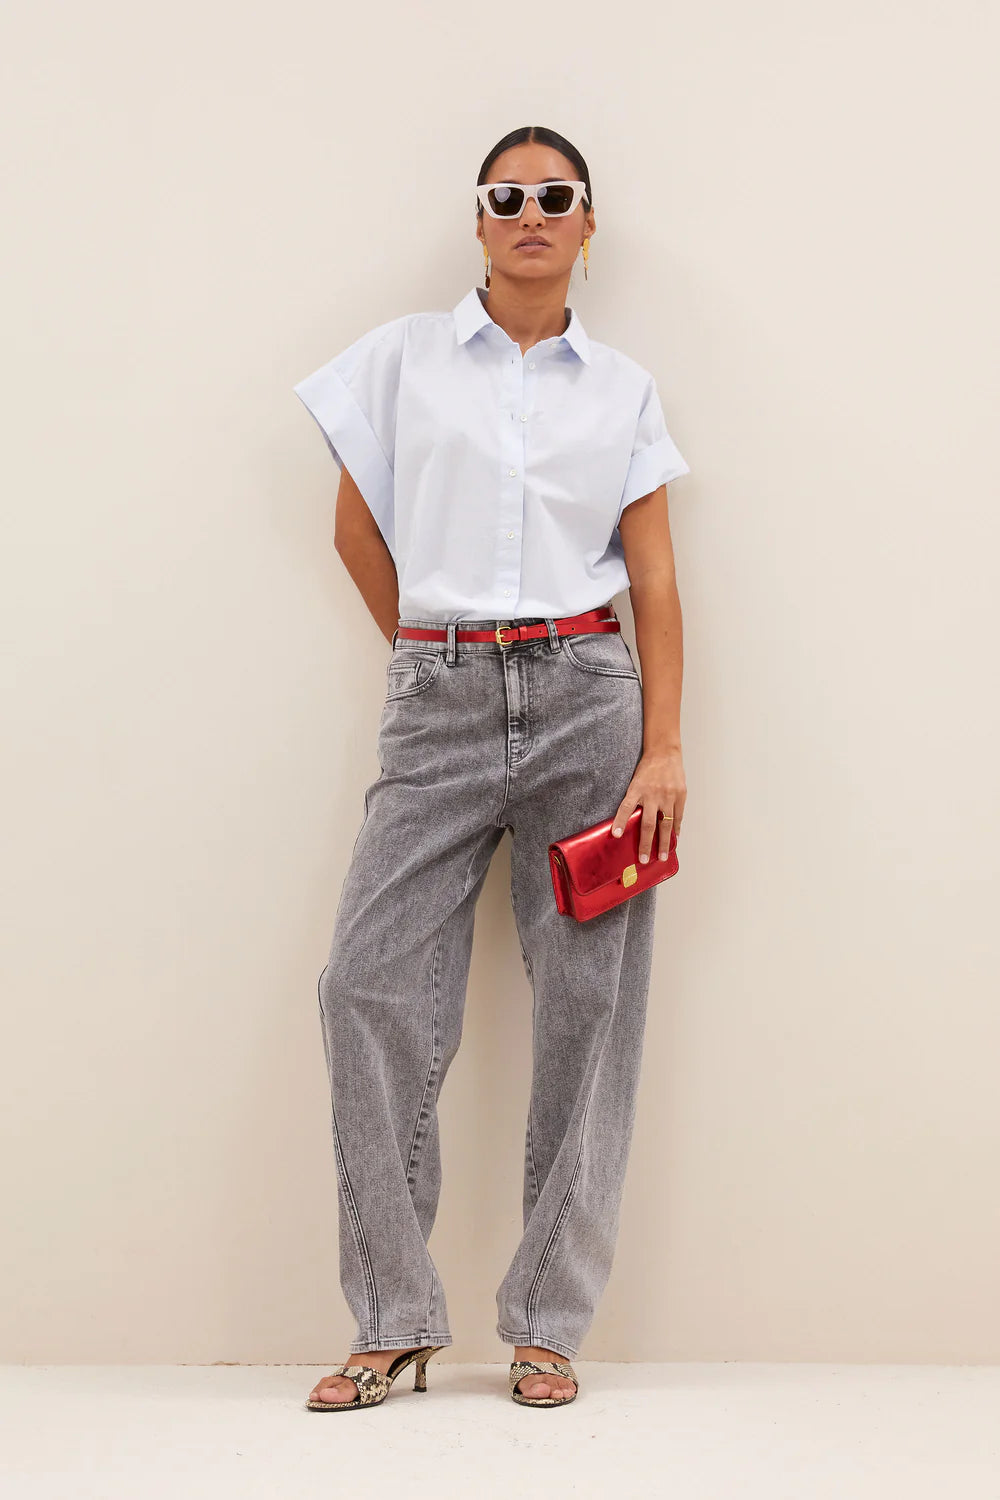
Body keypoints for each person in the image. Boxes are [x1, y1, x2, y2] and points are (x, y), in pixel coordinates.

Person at [292, 125, 690, 1412]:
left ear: (587, 224)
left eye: (554, 196)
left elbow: (655, 580)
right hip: (441, 700)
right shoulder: (403, 358)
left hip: (588, 705)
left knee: (590, 1005)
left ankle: (548, 1323)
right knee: (364, 983)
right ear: (477, 220)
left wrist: (664, 745)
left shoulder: (622, 389)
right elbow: (354, 529)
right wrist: (428, 657)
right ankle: (394, 1315)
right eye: (505, 195)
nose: (530, 213)